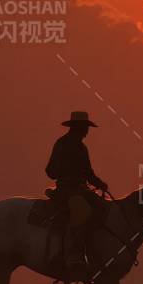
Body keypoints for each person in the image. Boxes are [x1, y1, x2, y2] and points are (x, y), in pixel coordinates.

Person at [44, 111, 110, 273]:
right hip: (67, 190)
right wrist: (68, 173)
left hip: (81, 190)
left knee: (104, 208)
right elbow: (50, 171)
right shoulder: (62, 144)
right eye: (85, 127)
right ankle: (73, 255)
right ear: (78, 127)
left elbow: (88, 172)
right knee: (83, 212)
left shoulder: (81, 147)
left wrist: (99, 183)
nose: (87, 131)